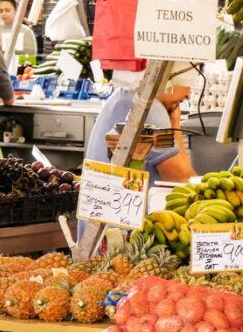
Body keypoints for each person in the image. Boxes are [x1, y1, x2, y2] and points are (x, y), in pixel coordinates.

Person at [78, 74, 197, 240]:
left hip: (99, 229)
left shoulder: (122, 95)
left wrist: (173, 122)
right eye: (189, 82)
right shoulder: (149, 108)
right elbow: (182, 178)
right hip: (119, 239)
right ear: (169, 79)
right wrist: (175, 124)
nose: (189, 94)